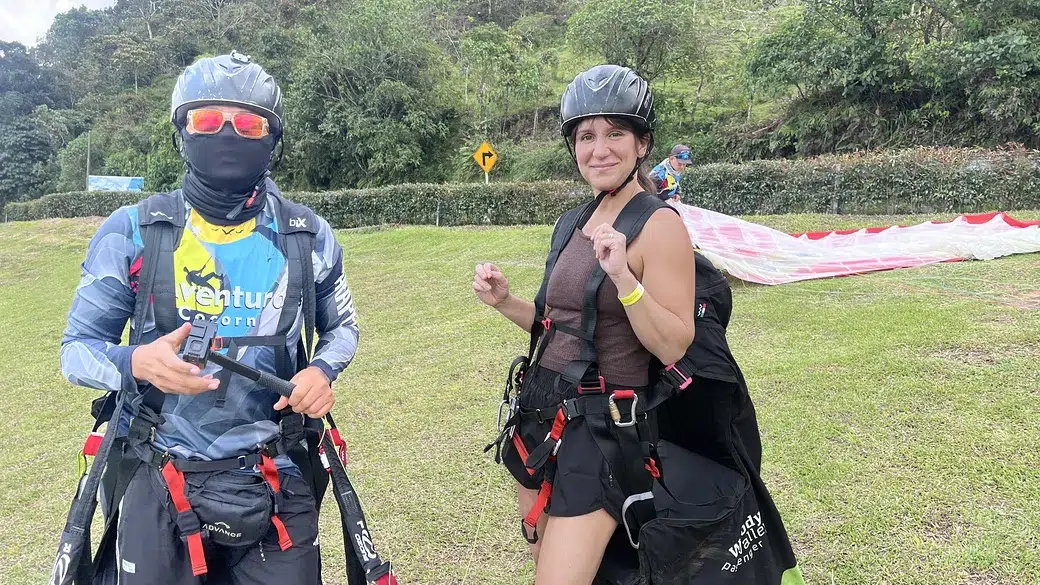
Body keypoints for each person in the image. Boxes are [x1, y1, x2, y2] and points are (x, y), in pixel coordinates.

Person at [59, 51, 359, 585]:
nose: (226, 133)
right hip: (157, 470)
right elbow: (76, 351)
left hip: (274, 472)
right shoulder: (133, 231)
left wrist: (322, 371)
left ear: (273, 138)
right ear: (182, 130)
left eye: (247, 122)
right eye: (206, 120)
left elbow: (342, 329)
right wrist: (136, 362)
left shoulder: (308, 236)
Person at [473, 64, 697, 584]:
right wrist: (507, 302)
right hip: (541, 413)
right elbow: (558, 327)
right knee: (547, 561)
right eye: (586, 135)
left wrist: (624, 277)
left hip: (601, 431)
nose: (600, 149)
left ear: (643, 144)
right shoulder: (574, 221)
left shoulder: (658, 226)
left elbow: (673, 344)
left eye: (616, 133)